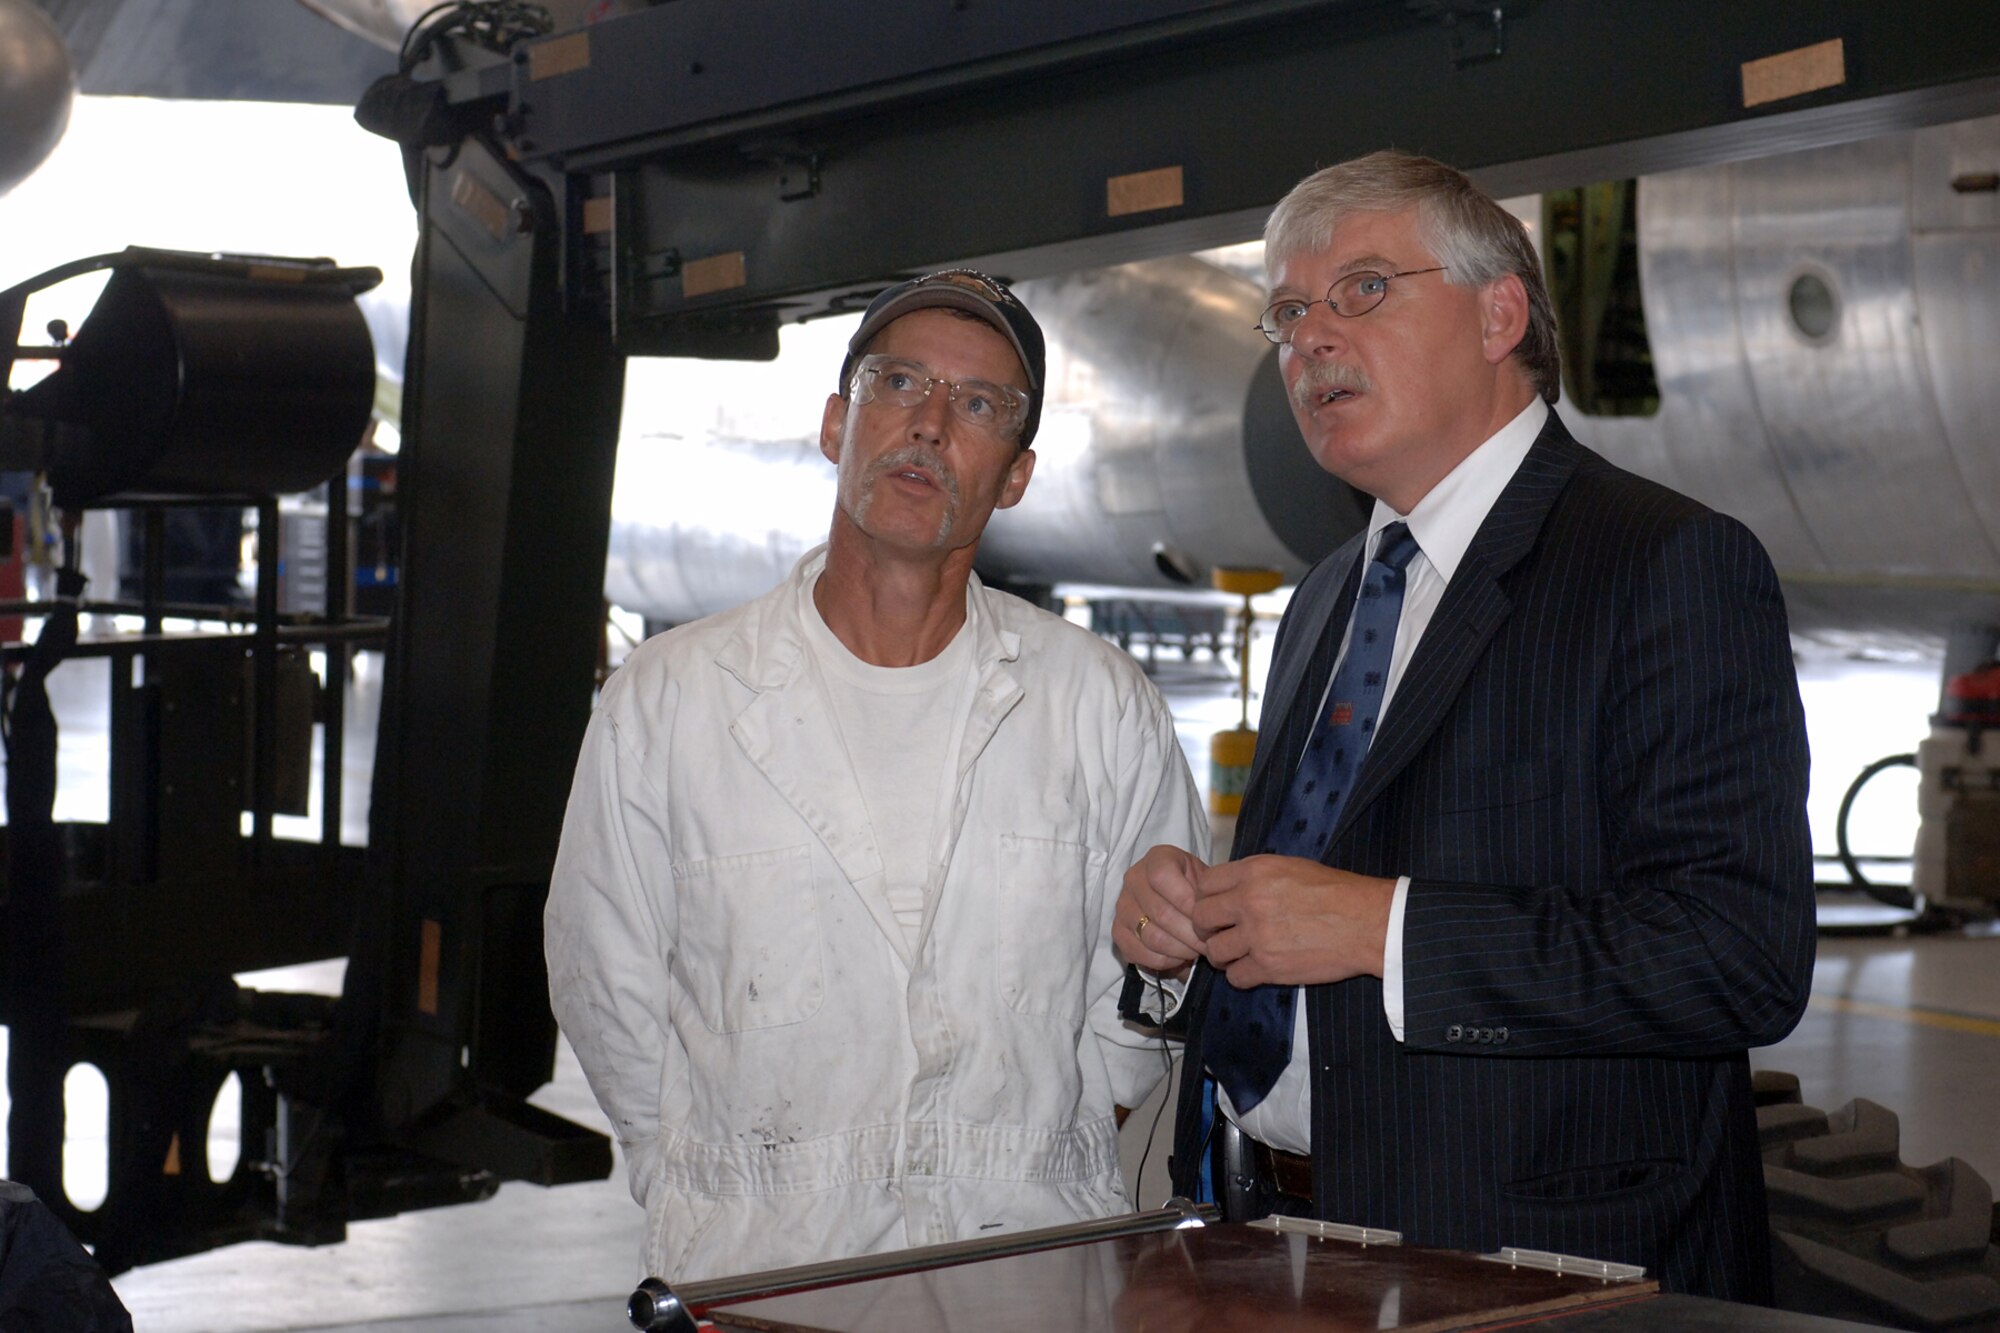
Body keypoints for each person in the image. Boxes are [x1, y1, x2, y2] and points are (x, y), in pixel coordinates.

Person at [1117, 152, 1814, 1303]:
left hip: (1526, 1270)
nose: (1309, 340)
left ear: (1499, 312)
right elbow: (1306, 935)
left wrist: (1383, 930)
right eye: (1287, 312)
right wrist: (1190, 934)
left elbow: (1734, 954)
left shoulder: (1661, 562)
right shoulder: (1330, 595)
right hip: (1269, 1239)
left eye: (1363, 290)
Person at [545, 269, 1206, 1282]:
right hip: (762, 1267)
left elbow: (1147, 988)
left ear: (1015, 474)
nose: (931, 426)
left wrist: (1037, 1141)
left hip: (1021, 1259)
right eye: (898, 385)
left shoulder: (1096, 705)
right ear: (834, 423)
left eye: (979, 404)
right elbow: (603, 973)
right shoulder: (672, 700)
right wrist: (695, 1177)